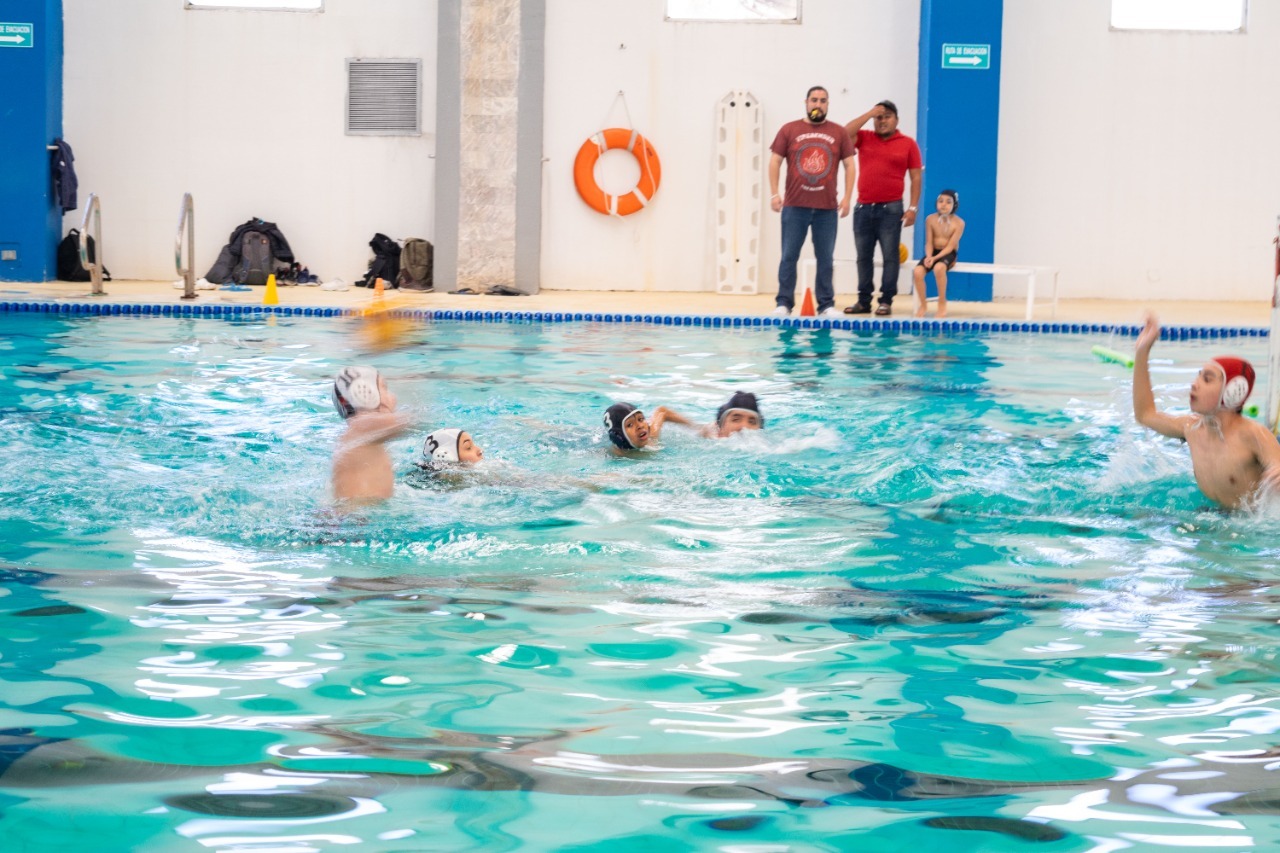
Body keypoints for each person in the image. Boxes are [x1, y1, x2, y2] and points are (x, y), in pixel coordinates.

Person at [1133, 314, 1280, 509]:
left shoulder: (1253, 434)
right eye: (1198, 377)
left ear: (1233, 392)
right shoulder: (1191, 428)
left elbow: (1276, 466)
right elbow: (1145, 414)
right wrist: (1142, 353)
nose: (1195, 385)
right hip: (1212, 518)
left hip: (1252, 531)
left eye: (1207, 379)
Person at [768, 86, 856, 318]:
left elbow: (850, 165)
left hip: (827, 209)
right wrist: (774, 193)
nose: (818, 104)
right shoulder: (789, 129)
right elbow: (775, 161)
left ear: (828, 104)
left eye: (823, 101)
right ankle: (784, 304)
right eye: (814, 100)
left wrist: (847, 196)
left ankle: (826, 305)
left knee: (825, 258)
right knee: (789, 256)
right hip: (794, 206)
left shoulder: (839, 132)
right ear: (806, 102)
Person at [843, 100, 923, 316]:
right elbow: (844, 133)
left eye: (887, 116)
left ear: (896, 119)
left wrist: (913, 208)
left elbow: (916, 178)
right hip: (863, 209)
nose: (882, 120)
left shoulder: (908, 144)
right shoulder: (865, 137)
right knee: (863, 257)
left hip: (891, 210)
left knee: (890, 256)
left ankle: (886, 300)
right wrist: (869, 113)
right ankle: (864, 300)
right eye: (879, 117)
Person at [331, 366, 410, 505]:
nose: (393, 397)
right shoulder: (363, 426)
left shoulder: (359, 432)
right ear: (365, 393)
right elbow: (413, 421)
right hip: (353, 521)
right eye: (384, 388)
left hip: (352, 518)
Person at [911, 189, 965, 318]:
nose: (944, 205)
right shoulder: (930, 219)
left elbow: (951, 246)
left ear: (954, 205)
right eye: (941, 201)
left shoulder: (959, 223)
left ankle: (942, 303)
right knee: (917, 271)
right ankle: (923, 305)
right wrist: (929, 256)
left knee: (939, 268)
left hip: (949, 253)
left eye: (948, 202)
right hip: (933, 252)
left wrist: (935, 258)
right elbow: (929, 242)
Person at [604, 403, 695, 454]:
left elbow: (662, 411)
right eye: (630, 424)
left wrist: (697, 428)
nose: (640, 426)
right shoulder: (619, 456)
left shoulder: (651, 435)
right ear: (619, 436)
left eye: (641, 419)